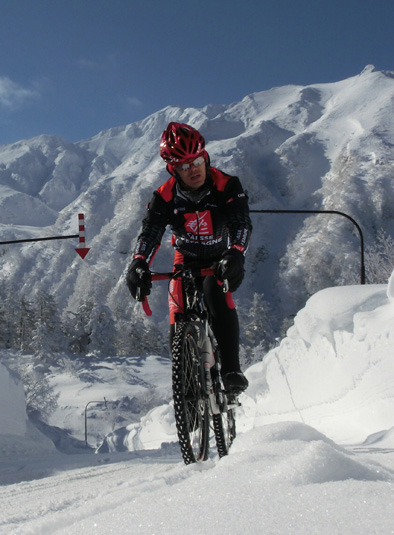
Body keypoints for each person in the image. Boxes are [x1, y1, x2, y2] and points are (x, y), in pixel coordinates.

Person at [126, 122, 252, 394]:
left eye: (195, 161)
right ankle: (189, 394)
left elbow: (241, 221)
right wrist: (139, 261)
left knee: (216, 294)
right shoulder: (164, 196)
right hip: (186, 259)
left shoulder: (227, 185)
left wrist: (236, 252)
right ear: (173, 169)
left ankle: (231, 370)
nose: (192, 169)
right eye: (183, 166)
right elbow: (151, 231)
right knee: (177, 317)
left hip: (220, 257)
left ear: (204, 157)